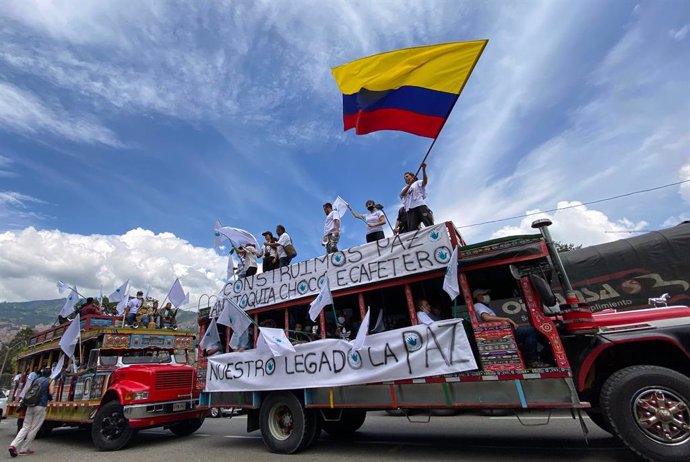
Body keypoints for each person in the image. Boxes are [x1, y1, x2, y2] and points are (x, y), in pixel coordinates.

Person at [472, 288, 549, 368]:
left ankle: (535, 357)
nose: (487, 296)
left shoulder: (485, 306)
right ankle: (532, 360)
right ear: (478, 297)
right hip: (496, 334)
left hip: (501, 332)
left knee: (531, 333)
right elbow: (486, 318)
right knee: (530, 331)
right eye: (484, 294)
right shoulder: (478, 305)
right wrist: (507, 319)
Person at [8, 367, 54, 457]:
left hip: (31, 404)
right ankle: (24, 449)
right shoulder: (50, 380)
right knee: (34, 428)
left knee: (25, 427)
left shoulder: (36, 379)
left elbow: (29, 390)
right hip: (41, 405)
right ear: (50, 374)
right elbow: (51, 392)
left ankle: (13, 445)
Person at [399, 163, 434, 231]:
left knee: (429, 223)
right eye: (404, 178)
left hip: (420, 205)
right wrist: (409, 185)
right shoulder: (405, 188)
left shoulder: (418, 182)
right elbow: (402, 194)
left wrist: (423, 169)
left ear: (412, 176)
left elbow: (425, 182)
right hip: (410, 209)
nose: (405, 179)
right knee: (412, 229)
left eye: (407, 176)